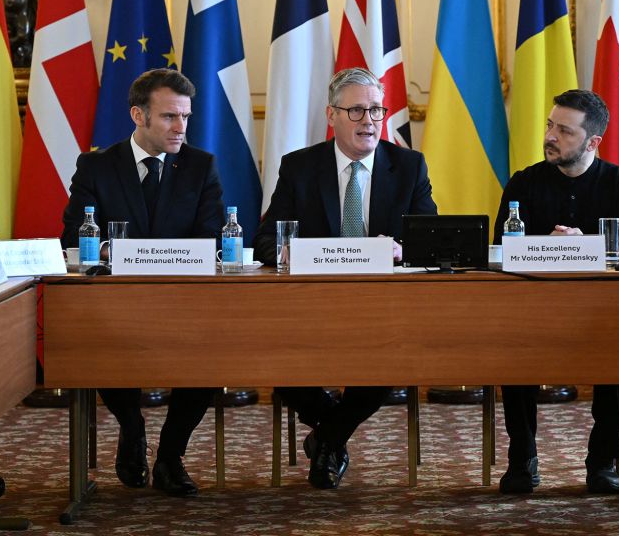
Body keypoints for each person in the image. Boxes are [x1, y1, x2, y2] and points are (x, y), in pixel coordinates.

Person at [255, 67, 437, 489]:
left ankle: (328, 439)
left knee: (389, 363)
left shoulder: (408, 166)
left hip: (383, 310)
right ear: (331, 115)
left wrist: (405, 250)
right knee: (277, 362)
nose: (369, 121)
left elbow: (431, 240)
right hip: (309, 307)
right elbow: (265, 238)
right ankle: (332, 430)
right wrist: (283, 251)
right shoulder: (300, 167)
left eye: (376, 110)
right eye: (356, 111)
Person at [61, 68, 225, 497]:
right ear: (138, 115)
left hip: (183, 301)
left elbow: (212, 238)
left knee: (211, 352)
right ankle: (131, 425)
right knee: (99, 339)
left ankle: (170, 455)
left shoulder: (200, 165)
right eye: (170, 117)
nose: (181, 127)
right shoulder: (96, 166)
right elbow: (75, 235)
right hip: (116, 302)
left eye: (186, 117)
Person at [490, 89, 619, 495]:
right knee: (511, 345)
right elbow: (499, 246)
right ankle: (522, 455)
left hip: (600, 311)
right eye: (549, 125)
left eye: (564, 130)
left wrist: (584, 241)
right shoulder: (524, 182)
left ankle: (604, 458)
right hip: (532, 310)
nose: (551, 136)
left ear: (592, 142)